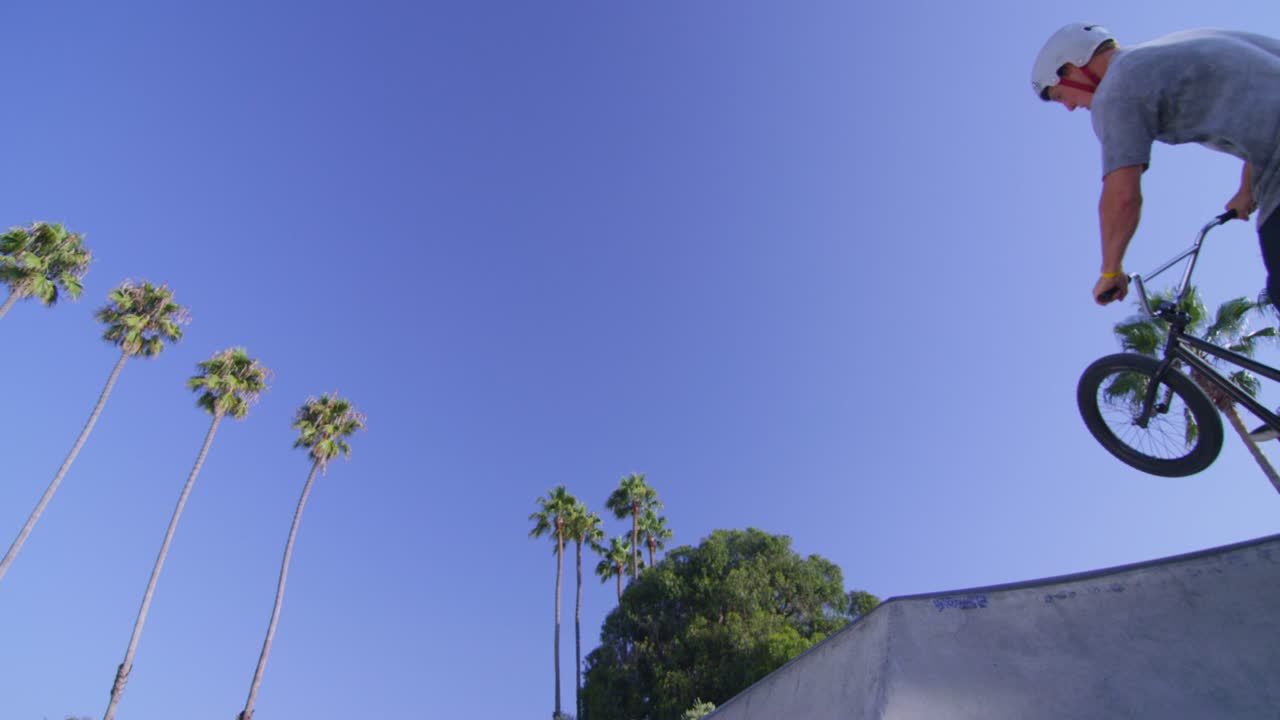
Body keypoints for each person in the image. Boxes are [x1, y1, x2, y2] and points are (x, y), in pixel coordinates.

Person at [1032, 23, 1280, 441]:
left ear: (1072, 69)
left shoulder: (1117, 90)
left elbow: (1122, 195)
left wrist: (1111, 270)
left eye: (1061, 98)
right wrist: (1245, 187)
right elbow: (1262, 97)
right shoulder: (1188, 42)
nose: (1072, 109)